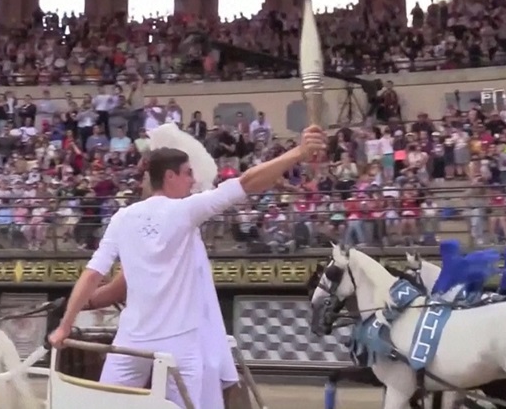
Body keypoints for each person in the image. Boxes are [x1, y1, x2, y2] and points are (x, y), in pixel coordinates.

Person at [48, 125, 327, 409]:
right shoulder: (186, 211)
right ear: (170, 177)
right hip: (179, 345)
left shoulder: (122, 218)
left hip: (131, 342)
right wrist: (299, 152)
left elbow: (94, 274)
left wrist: (65, 325)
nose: (193, 181)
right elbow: (247, 182)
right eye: (188, 174)